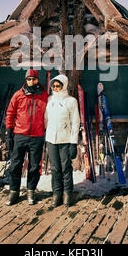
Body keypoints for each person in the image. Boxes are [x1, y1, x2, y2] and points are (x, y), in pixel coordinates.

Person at [5, 69, 48, 206]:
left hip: (37, 136)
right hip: (20, 135)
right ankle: (14, 191)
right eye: (29, 79)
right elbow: (10, 113)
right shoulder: (18, 95)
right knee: (16, 164)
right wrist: (8, 132)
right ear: (26, 80)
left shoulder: (44, 96)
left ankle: (31, 190)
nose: (31, 81)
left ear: (37, 80)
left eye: (33, 79)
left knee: (35, 166)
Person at [44, 74, 80, 208]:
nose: (55, 88)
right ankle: (57, 193)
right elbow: (46, 119)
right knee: (54, 168)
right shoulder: (50, 100)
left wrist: (73, 142)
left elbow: (75, 122)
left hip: (65, 139)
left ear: (63, 86)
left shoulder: (71, 101)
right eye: (53, 86)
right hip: (51, 139)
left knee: (65, 168)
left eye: (57, 86)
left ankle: (67, 193)